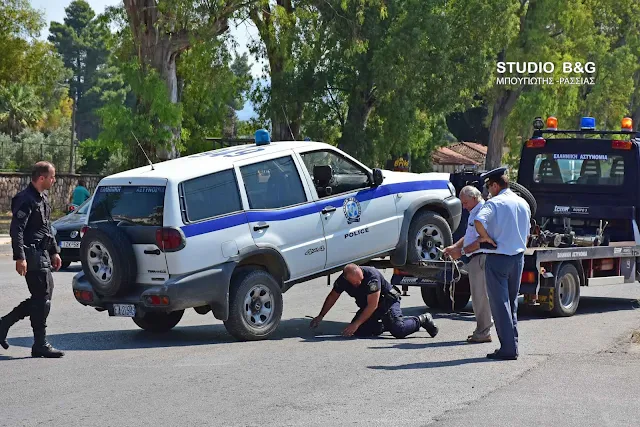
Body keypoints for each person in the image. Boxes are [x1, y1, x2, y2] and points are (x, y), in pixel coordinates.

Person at [0, 161, 64, 358]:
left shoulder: (42, 198)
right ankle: (39, 343)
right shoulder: (25, 199)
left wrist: (54, 251)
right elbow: (16, 229)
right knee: (42, 299)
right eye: (52, 177)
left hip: (43, 254)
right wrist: (20, 257)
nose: (54, 180)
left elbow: (46, 227)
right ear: (42, 178)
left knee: (42, 298)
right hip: (32, 255)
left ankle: (5, 325)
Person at [474, 167, 531, 360]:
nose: (488, 191)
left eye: (489, 187)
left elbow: (478, 220)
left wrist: (485, 238)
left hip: (499, 258)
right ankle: (512, 344)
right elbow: (528, 230)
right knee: (511, 303)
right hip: (518, 258)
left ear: (496, 185)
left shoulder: (494, 203)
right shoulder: (522, 202)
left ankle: (508, 349)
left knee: (500, 305)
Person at [310, 264, 439, 338]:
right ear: (347, 279)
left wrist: (356, 323)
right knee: (360, 331)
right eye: (356, 282)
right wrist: (321, 316)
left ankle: (422, 320)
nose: (360, 283)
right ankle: (387, 324)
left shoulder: (372, 277)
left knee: (399, 330)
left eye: (360, 280)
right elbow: (333, 296)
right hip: (370, 306)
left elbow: (373, 305)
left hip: (388, 301)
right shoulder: (342, 281)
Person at [444, 185, 493, 344]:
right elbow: (469, 236)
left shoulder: (483, 211)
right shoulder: (475, 211)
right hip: (475, 258)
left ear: (474, 197)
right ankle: (482, 330)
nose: (464, 207)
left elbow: (481, 241)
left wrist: (461, 252)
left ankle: (483, 331)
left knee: (481, 297)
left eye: (465, 203)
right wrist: (455, 247)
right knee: (478, 297)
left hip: (480, 257)